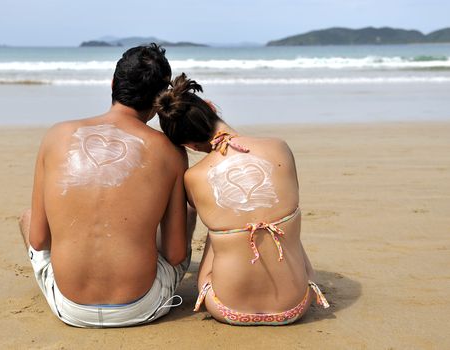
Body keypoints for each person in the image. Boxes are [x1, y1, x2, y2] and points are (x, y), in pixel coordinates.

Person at [18, 44, 194, 328]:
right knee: (186, 214)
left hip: (70, 308)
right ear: (160, 98)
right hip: (141, 305)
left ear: (112, 84)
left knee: (28, 218)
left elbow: (39, 240)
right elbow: (174, 255)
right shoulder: (170, 152)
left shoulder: (56, 136)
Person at [154, 73, 329, 326]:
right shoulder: (279, 147)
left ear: (190, 145)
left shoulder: (194, 176)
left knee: (217, 225)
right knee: (283, 217)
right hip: (296, 306)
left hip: (226, 308)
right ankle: (305, 279)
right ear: (212, 107)